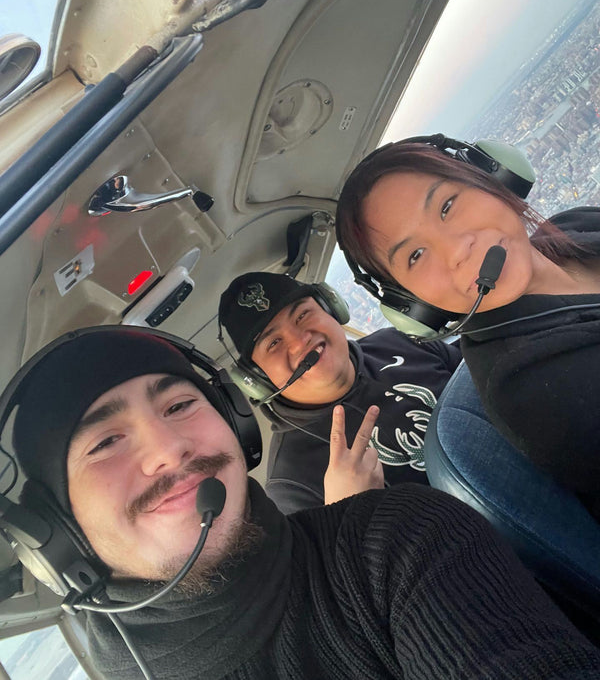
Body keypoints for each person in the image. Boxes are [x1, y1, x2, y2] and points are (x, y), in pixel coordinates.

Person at [4, 325, 600, 679]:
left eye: (179, 406)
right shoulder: (297, 473)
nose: (168, 450)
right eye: (106, 441)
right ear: (52, 533)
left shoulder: (392, 545)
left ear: (236, 426)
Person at [335, 138, 600, 522]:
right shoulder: (532, 387)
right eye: (416, 256)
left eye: (446, 205)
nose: (458, 249)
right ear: (414, 307)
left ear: (493, 176)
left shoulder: (577, 224)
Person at [218, 271, 461, 514]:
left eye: (303, 315)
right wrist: (356, 515)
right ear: (256, 379)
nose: (300, 341)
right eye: (273, 343)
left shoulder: (397, 341)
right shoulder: (291, 484)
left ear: (331, 308)